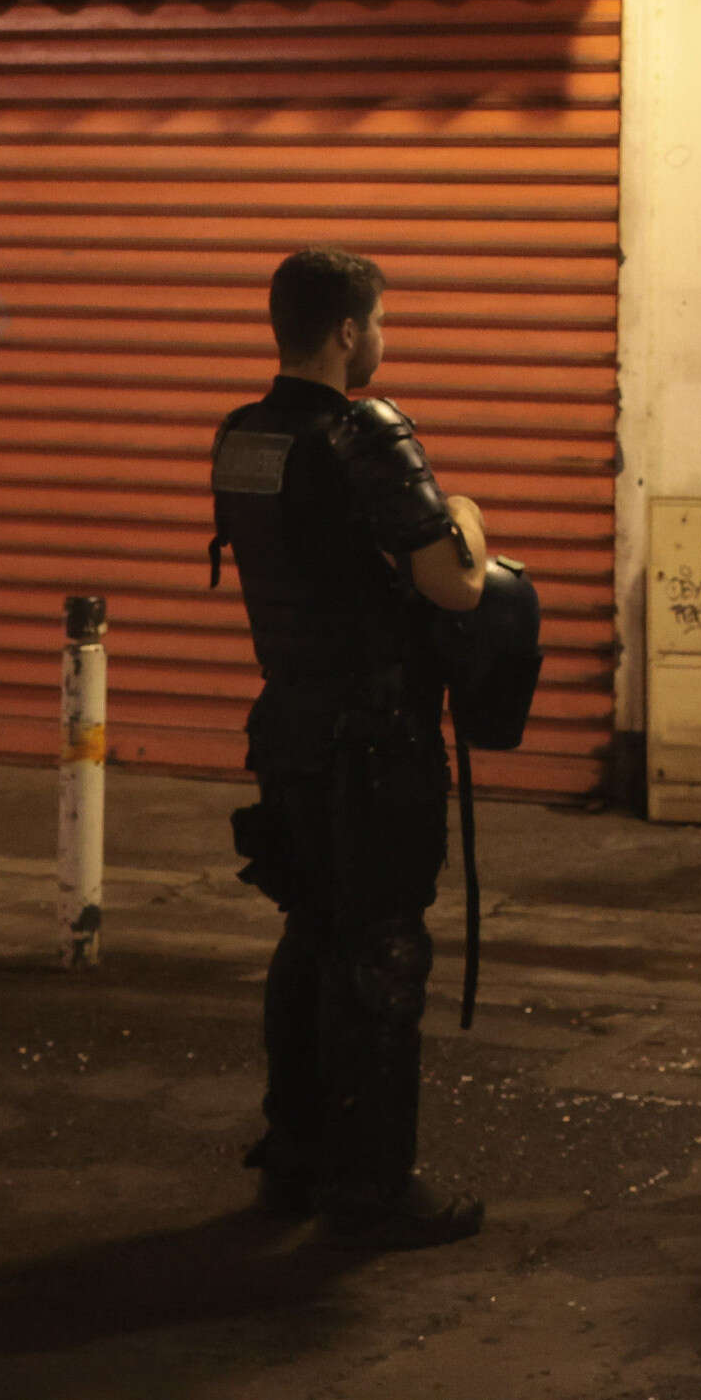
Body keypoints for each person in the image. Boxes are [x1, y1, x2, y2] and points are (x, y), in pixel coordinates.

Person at [209, 246, 493, 1250]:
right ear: (345, 330)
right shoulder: (366, 431)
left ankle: (294, 1153)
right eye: (379, 321)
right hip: (375, 740)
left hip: (288, 727)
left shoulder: (242, 436)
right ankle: (372, 1186)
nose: (384, 340)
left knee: (310, 936)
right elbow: (454, 582)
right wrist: (466, 514)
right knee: (379, 950)